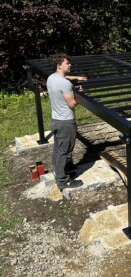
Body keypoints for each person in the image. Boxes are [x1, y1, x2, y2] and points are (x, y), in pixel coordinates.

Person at [47, 54, 86, 191]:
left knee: (59, 148)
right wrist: (81, 94)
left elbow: (64, 78)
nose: (70, 65)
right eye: (67, 63)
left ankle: (61, 171)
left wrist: (76, 78)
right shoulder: (65, 84)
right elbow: (72, 103)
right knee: (65, 150)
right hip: (66, 122)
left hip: (56, 119)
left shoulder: (51, 78)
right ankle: (63, 181)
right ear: (59, 65)